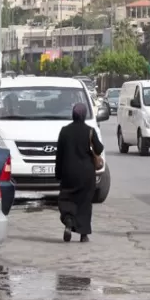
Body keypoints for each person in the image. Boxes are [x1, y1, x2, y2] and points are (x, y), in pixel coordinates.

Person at [55, 103, 104, 243]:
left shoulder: (64, 131)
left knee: (67, 199)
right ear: (84, 115)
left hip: (68, 172)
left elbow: (59, 155)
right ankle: (83, 235)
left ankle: (69, 220)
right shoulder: (90, 131)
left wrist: (58, 174)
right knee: (84, 202)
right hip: (86, 174)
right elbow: (99, 149)